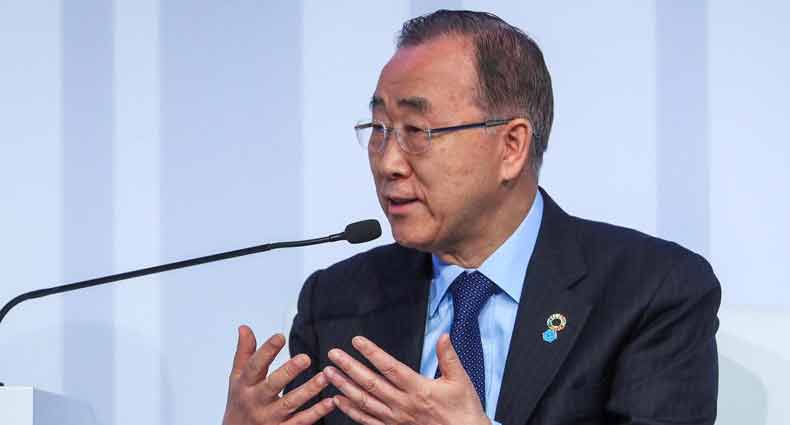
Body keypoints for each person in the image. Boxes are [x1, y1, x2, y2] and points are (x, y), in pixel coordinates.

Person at [222, 10, 720, 425]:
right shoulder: (337, 302)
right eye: (379, 128)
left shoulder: (652, 291)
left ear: (511, 146)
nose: (388, 162)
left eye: (417, 130)